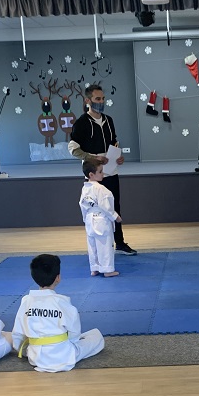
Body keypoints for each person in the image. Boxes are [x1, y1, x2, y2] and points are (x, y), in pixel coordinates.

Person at [68, 84, 137, 256]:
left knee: (114, 206)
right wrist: (93, 158)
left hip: (111, 171)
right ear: (88, 100)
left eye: (103, 98)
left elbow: (114, 143)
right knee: (97, 211)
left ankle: (119, 243)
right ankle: (99, 247)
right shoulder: (81, 123)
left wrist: (118, 157)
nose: (101, 102)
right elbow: (73, 149)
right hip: (94, 174)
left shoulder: (109, 120)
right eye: (97, 99)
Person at [12, 253, 104, 372]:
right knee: (96, 336)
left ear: (34, 277)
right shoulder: (63, 303)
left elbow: (18, 333)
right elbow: (74, 334)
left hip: (35, 357)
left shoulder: (26, 301)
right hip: (64, 356)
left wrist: (24, 349)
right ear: (58, 278)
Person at [79, 161, 121, 277]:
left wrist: (85, 219)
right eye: (100, 172)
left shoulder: (85, 188)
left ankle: (94, 268)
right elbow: (105, 206)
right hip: (101, 220)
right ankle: (107, 270)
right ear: (91, 174)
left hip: (89, 219)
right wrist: (115, 216)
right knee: (105, 245)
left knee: (92, 245)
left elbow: (82, 205)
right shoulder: (101, 189)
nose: (103, 174)